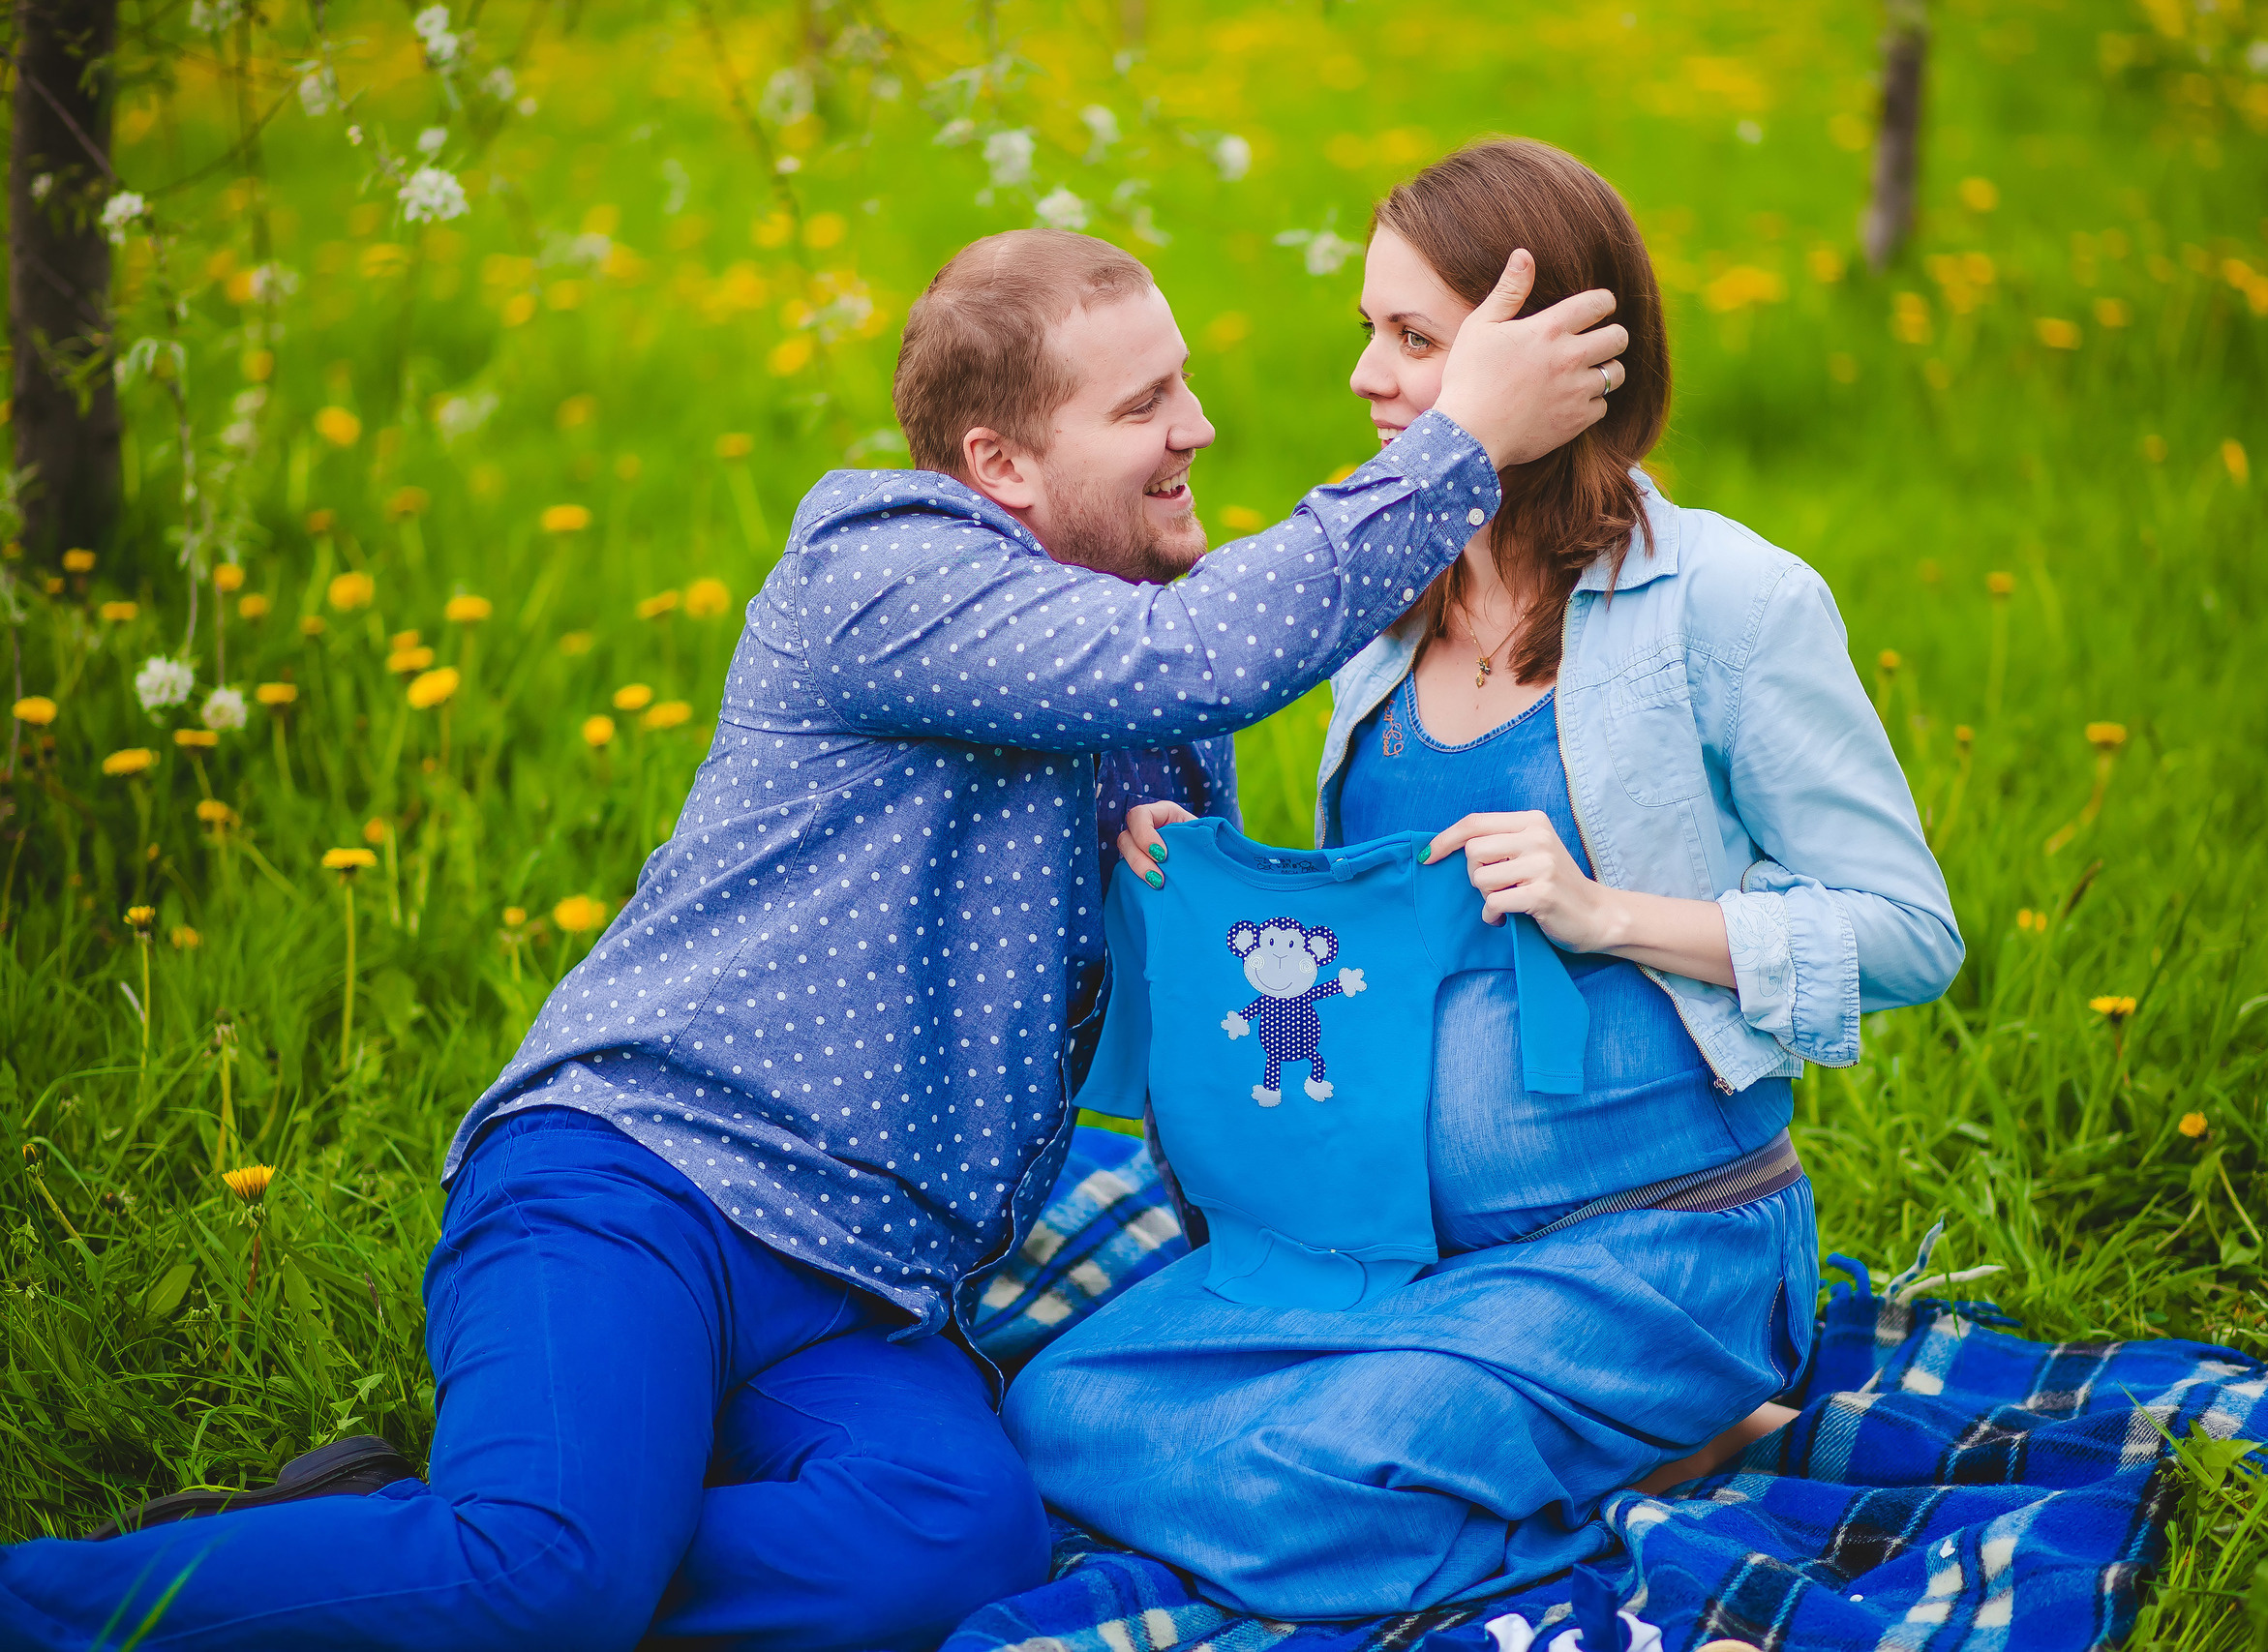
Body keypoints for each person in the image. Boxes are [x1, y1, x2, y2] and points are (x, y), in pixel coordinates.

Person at [0, 230, 1625, 1652]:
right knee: (546, 1580)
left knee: (957, 1541)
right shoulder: (881, 568)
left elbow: (1216, 977)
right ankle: (82, 1607)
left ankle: (444, 1556)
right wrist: (1461, 445)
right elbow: (1201, 652)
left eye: (1185, 384)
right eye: (1145, 404)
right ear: (998, 462)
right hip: (635, 1183)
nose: (1198, 428)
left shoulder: (1142, 690)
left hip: (861, 1286)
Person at [1004, 139, 1966, 1621]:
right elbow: (1381, 932)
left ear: (1556, 357)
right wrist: (1189, 871)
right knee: (1057, 1414)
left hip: (1648, 1245)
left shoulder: (1727, 602)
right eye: (1370, 330)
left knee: (1319, 1475)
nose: (1367, 377)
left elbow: (1908, 933)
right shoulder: (1388, 608)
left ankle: (1644, 1444)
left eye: (1413, 337)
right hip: (1389, 1244)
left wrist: (1605, 912)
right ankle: (1576, 1457)